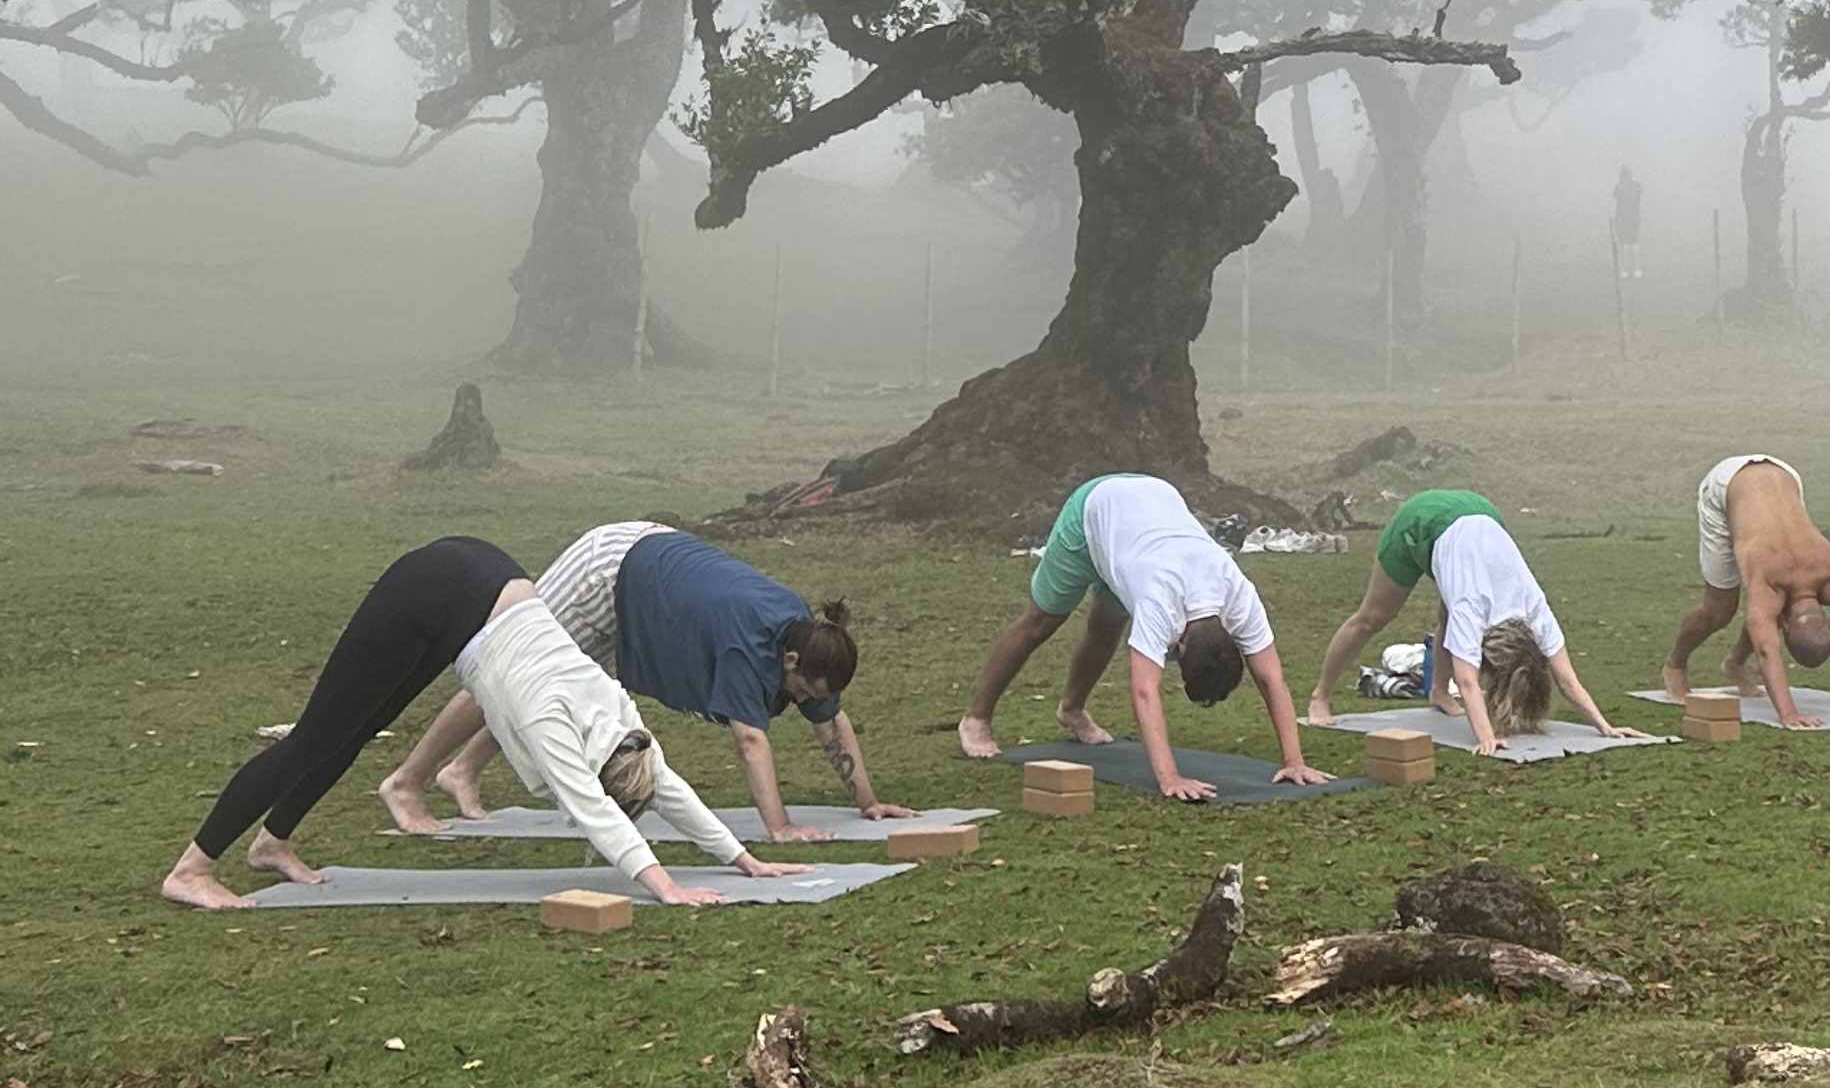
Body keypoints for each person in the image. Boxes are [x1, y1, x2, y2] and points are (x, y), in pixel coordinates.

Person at [162, 536, 814, 911]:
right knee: (317, 734)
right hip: (433, 587)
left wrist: (744, 859)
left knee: (355, 732)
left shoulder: (621, 724)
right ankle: (191, 868)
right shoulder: (554, 723)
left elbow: (664, 786)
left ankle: (271, 842)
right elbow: (594, 809)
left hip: (482, 592)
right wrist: (666, 886)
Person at [381, 521, 904, 842]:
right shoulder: (750, 643)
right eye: (805, 692)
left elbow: (831, 722)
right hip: (608, 570)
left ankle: (462, 771)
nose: (804, 703)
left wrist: (866, 802)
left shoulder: (809, 642)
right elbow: (749, 741)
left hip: (648, 592)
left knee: (550, 690)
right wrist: (780, 828)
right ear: (791, 661)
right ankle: (406, 783)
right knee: (509, 670)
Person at [955, 473, 1332, 803]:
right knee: (1042, 621)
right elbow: (1144, 691)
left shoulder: (1239, 597)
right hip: (1094, 511)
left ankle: (1072, 711)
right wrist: (1169, 777)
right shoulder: (1159, 603)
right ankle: (976, 719)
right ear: (1179, 645)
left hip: (1145, 519)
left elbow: (1271, 678)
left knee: (1107, 624)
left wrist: (1294, 761)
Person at [1305, 488, 1642, 754]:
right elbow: (1467, 683)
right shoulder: (1472, 606)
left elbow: (1568, 681)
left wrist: (1605, 727)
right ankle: (1320, 696)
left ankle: (1437, 692)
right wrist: (1487, 737)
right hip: (1423, 519)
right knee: (1373, 618)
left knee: (1449, 603)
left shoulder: (1535, 607)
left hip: (1481, 513)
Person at [1663, 452, 1830, 729]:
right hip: (1726, 486)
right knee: (1719, 610)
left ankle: (1734, 665)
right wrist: (1788, 714)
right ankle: (1675, 665)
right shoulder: (1776, 582)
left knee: (1762, 613)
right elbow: (1767, 650)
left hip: (1783, 474)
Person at [1611, 165, 1644, 280]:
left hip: (1623, 219)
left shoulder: (1619, 186)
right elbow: (1639, 195)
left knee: (1624, 243)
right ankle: (1637, 269)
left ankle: (1624, 270)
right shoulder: (1637, 186)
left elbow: (1615, 195)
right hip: (1634, 219)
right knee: (1635, 243)